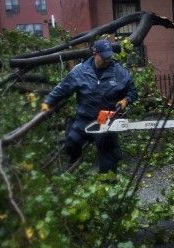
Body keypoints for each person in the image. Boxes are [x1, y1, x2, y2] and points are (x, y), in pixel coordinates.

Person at [41, 39, 138, 173]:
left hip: (106, 121)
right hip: (84, 119)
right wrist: (48, 101)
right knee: (71, 143)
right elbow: (63, 88)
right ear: (95, 54)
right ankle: (75, 166)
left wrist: (126, 100)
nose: (107, 60)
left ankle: (107, 182)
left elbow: (132, 91)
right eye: (104, 57)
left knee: (108, 156)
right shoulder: (80, 71)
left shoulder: (119, 72)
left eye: (109, 57)